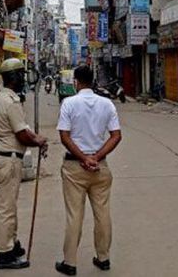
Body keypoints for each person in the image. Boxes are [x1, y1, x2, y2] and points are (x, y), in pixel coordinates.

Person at [55, 65, 122, 276]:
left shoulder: (69, 103)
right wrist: (96, 158)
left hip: (74, 167)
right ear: (93, 81)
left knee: (74, 215)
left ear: (75, 81)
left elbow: (64, 136)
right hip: (100, 167)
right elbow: (116, 136)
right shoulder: (107, 104)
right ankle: (104, 258)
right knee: (102, 213)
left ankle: (70, 262)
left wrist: (84, 158)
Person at [0, 58, 48, 270]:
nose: (24, 80)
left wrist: (36, 138)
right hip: (8, 158)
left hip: (3, 156)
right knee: (7, 208)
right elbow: (22, 134)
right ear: (13, 78)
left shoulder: (0, 97)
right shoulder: (11, 102)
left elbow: (23, 129)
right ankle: (3, 253)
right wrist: (38, 141)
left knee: (10, 205)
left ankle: (11, 244)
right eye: (21, 76)